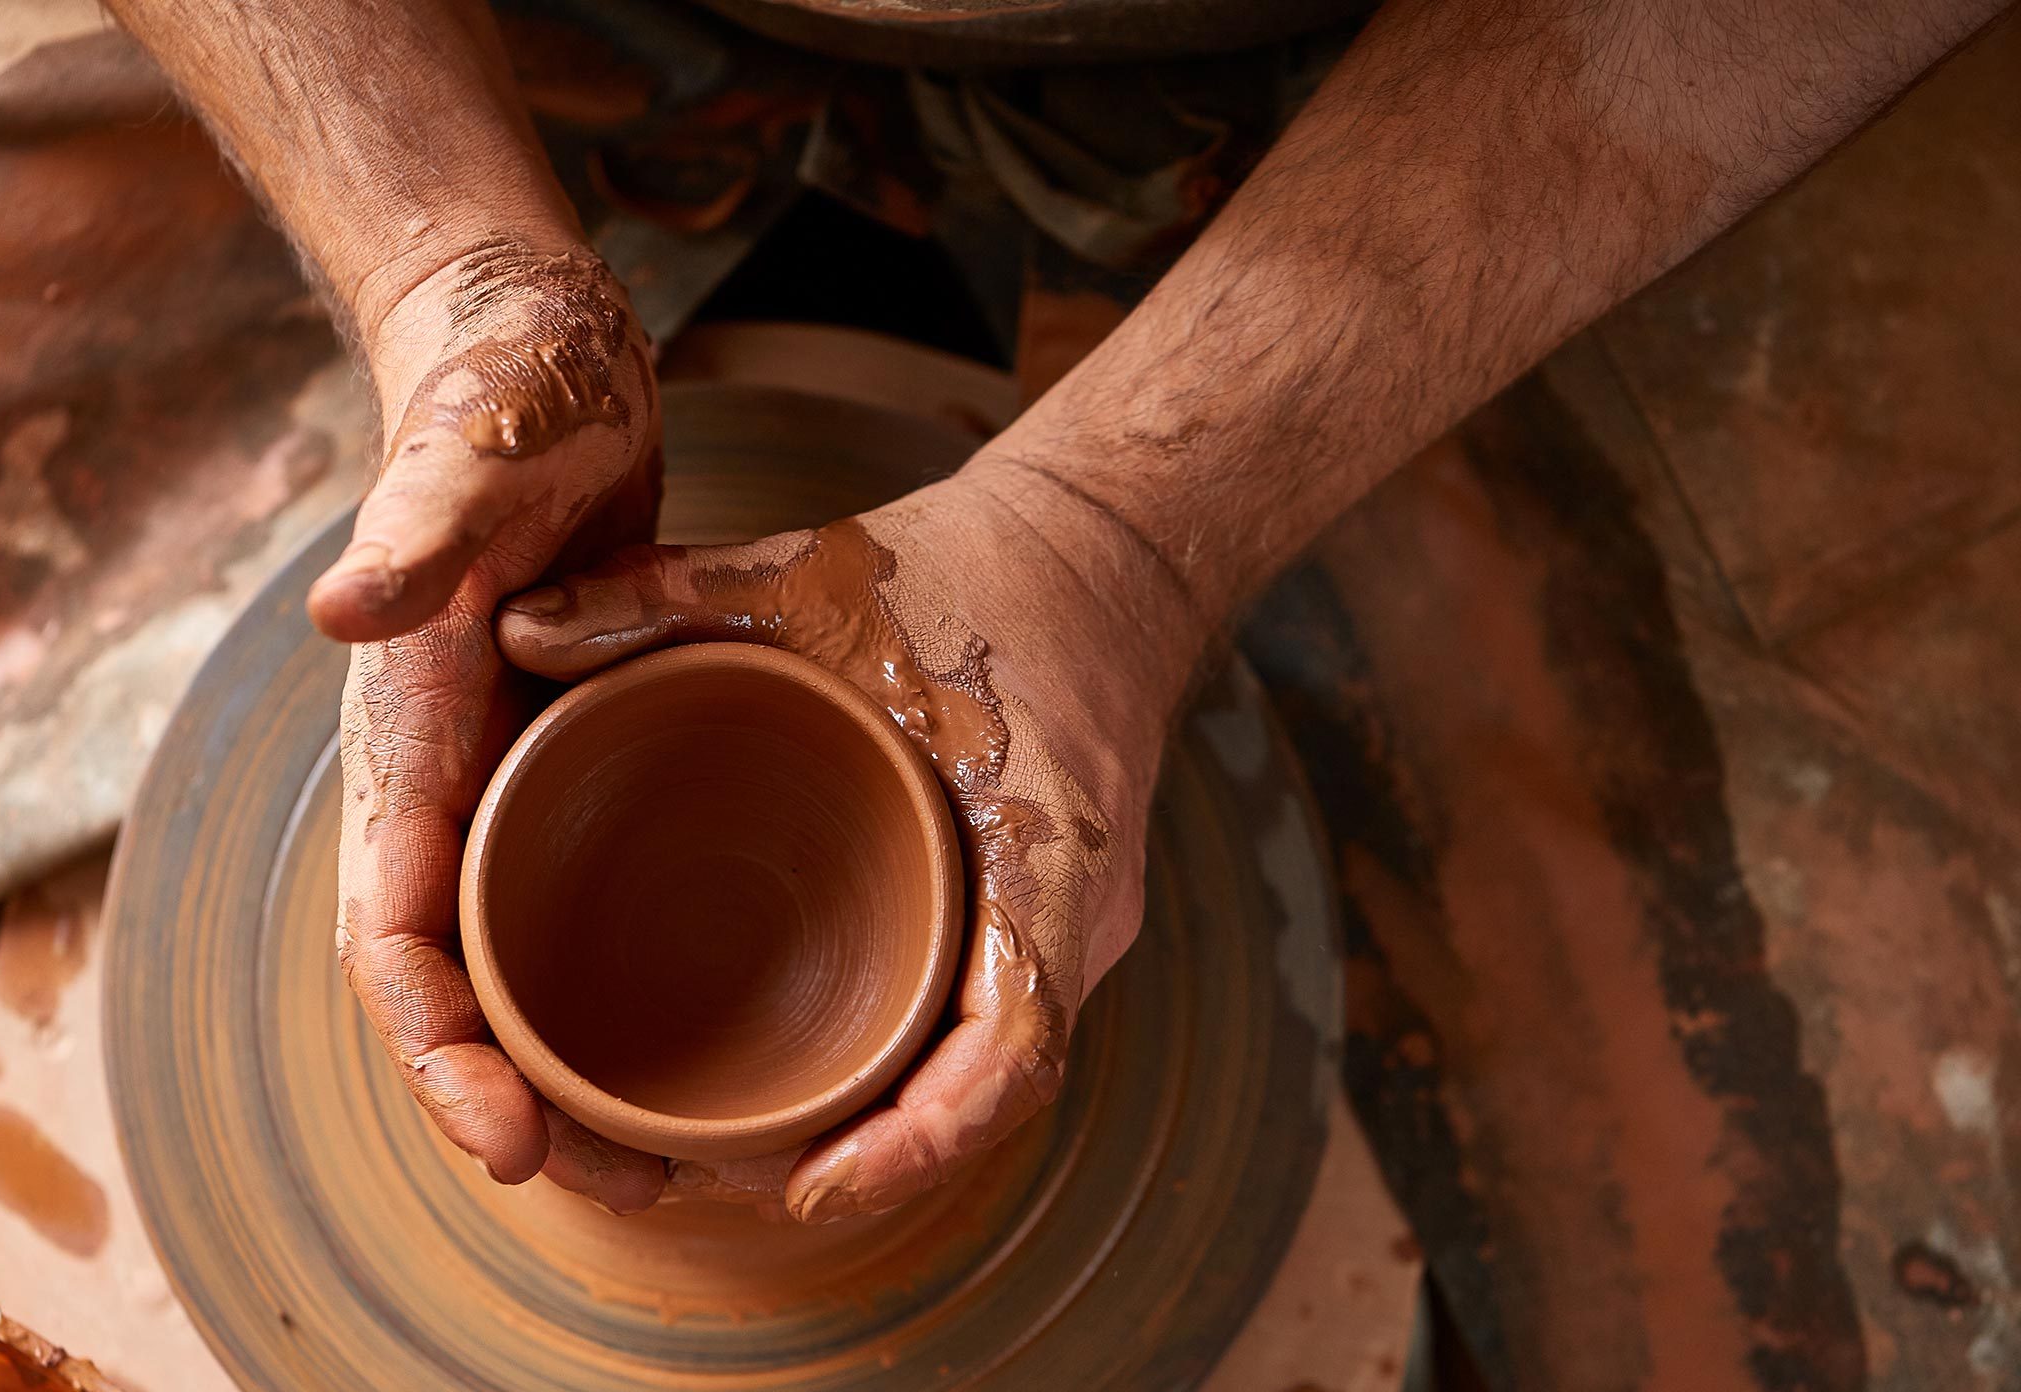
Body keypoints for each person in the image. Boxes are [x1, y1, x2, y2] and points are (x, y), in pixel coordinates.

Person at [99, 0, 2005, 1222]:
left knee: (1813, 1232)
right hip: (491, 47)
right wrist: (452, 269)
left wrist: (1127, 528)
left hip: (1479, 73)